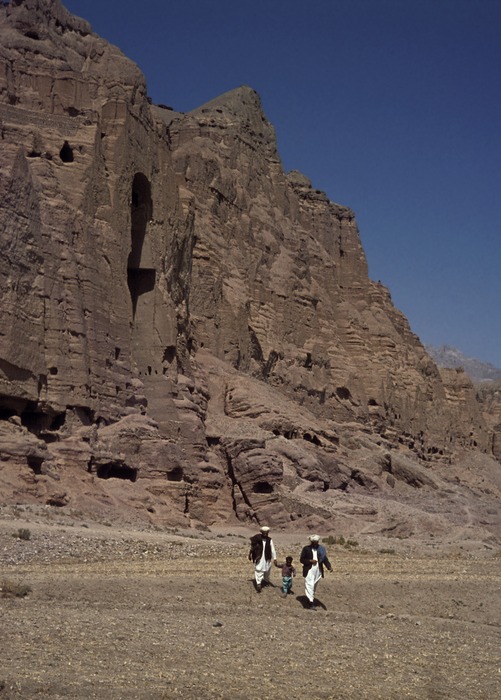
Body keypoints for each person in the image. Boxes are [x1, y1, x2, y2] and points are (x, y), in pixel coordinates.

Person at [299, 534, 333, 610]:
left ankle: (310, 598)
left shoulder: (321, 549)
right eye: (314, 542)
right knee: (309, 584)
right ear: (311, 542)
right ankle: (311, 603)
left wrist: (329, 567)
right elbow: (302, 559)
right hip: (309, 570)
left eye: (316, 542)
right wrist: (310, 561)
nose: (315, 543)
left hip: (318, 570)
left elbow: (324, 559)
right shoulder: (306, 549)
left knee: (313, 586)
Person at [248, 525, 277, 592]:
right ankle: (258, 584)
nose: (265, 534)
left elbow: (272, 549)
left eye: (267, 533)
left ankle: (266, 581)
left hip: (267, 558)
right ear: (262, 532)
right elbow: (253, 547)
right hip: (259, 557)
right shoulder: (257, 539)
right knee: (258, 569)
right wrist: (250, 554)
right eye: (264, 532)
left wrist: (275, 558)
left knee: (267, 569)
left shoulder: (270, 540)